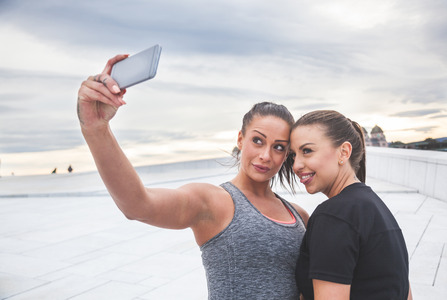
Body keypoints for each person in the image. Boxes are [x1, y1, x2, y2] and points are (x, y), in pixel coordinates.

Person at [77, 54, 309, 299]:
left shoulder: (299, 216)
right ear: (240, 139)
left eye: (279, 147)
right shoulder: (212, 201)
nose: (266, 155)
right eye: (258, 140)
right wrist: (95, 128)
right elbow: (138, 205)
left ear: (287, 155)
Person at [289, 110, 412, 300]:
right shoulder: (377, 207)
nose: (296, 165)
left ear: (344, 152)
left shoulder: (334, 216)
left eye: (307, 151)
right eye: (293, 155)